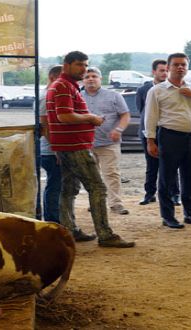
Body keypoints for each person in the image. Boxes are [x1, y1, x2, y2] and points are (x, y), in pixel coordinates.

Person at [46, 50, 134, 248]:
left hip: (69, 145)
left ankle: (70, 230)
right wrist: (91, 118)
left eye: (86, 65)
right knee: (97, 188)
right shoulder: (63, 86)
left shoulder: (65, 86)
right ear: (66, 65)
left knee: (69, 189)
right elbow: (65, 116)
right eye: (80, 65)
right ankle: (105, 234)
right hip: (74, 145)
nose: (84, 69)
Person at [145, 53, 191, 229]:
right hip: (169, 137)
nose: (180, 67)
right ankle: (168, 216)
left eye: (183, 64)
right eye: (176, 65)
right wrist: (150, 141)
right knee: (167, 178)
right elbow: (150, 118)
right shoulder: (157, 90)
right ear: (168, 68)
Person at [82, 67, 131, 215]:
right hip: (86, 144)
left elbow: (125, 115)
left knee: (111, 174)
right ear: (82, 80)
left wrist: (119, 130)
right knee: (91, 176)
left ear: (100, 79)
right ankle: (96, 203)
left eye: (94, 76)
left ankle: (116, 204)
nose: (91, 79)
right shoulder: (77, 97)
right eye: (87, 77)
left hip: (108, 143)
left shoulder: (114, 96)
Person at [136, 59, 180, 206]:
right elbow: (142, 110)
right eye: (161, 70)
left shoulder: (174, 88)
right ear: (153, 72)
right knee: (151, 165)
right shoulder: (143, 89)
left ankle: (175, 194)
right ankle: (149, 194)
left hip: (169, 132)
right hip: (149, 133)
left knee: (171, 165)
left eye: (167, 70)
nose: (164, 73)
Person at [39, 65, 65, 225]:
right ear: (52, 77)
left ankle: (56, 219)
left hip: (53, 149)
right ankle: (53, 220)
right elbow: (45, 126)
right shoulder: (46, 97)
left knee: (57, 185)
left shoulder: (51, 95)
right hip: (50, 151)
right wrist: (56, 148)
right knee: (55, 186)